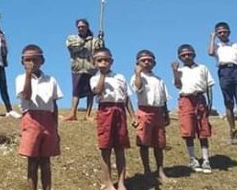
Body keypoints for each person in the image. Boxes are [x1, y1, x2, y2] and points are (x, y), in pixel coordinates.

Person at [16, 44, 63, 190]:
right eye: (27, 60)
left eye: (35, 60)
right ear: (22, 62)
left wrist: (55, 127)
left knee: (46, 161)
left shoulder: (51, 80)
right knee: (32, 161)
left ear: (42, 60)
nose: (31, 63)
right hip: (31, 118)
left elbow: (54, 104)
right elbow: (27, 95)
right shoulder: (20, 78)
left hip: (47, 119)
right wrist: (28, 76)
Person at [90, 47, 134, 190]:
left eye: (106, 60)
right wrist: (102, 75)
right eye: (99, 60)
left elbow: (127, 97)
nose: (103, 63)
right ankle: (107, 181)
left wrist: (132, 115)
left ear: (112, 61)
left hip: (119, 110)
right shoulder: (95, 78)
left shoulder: (120, 77)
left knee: (120, 147)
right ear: (94, 62)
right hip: (105, 110)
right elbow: (97, 91)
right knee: (106, 147)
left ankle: (121, 182)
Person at [208, 21, 237, 145]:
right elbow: (210, 52)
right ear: (217, 34)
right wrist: (212, 37)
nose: (222, 34)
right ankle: (233, 131)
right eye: (219, 32)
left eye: (225, 32)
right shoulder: (217, 46)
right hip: (224, 72)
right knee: (228, 103)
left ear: (229, 32)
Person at [173, 44, 215, 174]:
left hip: (200, 98)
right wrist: (175, 72)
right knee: (188, 129)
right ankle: (193, 159)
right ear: (180, 57)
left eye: (189, 54)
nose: (186, 57)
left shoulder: (202, 68)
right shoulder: (180, 70)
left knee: (203, 129)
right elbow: (178, 85)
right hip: (186, 99)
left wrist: (210, 104)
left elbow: (209, 86)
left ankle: (206, 159)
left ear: (194, 55)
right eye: (183, 55)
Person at [130, 50, 170, 182]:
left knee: (159, 143)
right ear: (138, 63)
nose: (146, 62)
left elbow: (163, 99)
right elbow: (138, 87)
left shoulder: (159, 80)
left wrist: (166, 114)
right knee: (144, 142)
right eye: (143, 60)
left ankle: (160, 170)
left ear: (154, 63)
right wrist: (137, 73)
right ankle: (146, 170)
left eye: (149, 60)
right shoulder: (137, 77)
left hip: (158, 112)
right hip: (144, 111)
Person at [64, 19, 104, 121]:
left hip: (90, 68)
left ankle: (87, 114)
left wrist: (101, 40)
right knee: (76, 91)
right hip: (77, 68)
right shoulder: (72, 38)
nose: (81, 28)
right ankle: (73, 113)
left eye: (83, 26)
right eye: (79, 27)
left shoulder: (94, 40)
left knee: (91, 92)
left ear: (87, 27)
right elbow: (72, 47)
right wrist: (84, 41)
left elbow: (100, 50)